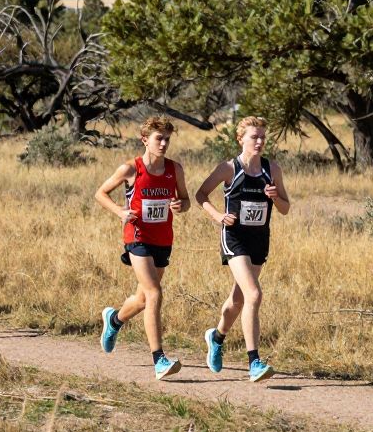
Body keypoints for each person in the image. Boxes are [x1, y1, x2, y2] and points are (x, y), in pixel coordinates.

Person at [195, 116, 291, 383]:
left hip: (259, 239)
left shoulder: (272, 169)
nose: (259, 141)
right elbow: (201, 194)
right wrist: (217, 216)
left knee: (239, 300)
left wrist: (275, 197)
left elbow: (285, 208)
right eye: (254, 137)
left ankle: (216, 337)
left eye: (262, 137)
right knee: (254, 294)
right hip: (234, 237)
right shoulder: (229, 168)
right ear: (241, 139)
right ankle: (255, 362)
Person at [95, 116, 190, 380]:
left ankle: (114, 320)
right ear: (145, 140)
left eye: (167, 139)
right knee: (154, 293)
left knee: (141, 300)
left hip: (163, 239)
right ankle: (159, 359)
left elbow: (185, 200)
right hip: (137, 237)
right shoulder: (131, 169)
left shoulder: (175, 169)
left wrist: (181, 206)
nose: (163, 144)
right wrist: (119, 212)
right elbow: (100, 193)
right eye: (159, 138)